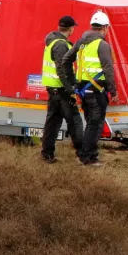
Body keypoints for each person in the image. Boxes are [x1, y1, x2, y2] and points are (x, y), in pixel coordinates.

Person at [60, 10, 115, 166]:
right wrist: (113, 90)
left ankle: (87, 155)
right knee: (95, 124)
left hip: (84, 90)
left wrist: (73, 82)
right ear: (105, 27)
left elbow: (65, 60)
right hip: (97, 91)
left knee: (91, 122)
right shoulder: (102, 45)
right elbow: (108, 69)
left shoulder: (81, 42)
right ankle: (88, 157)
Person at [41, 15, 84, 163]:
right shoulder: (60, 45)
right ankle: (83, 154)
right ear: (71, 28)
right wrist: (70, 90)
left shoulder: (52, 40)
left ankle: (47, 154)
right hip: (61, 90)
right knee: (75, 121)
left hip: (53, 89)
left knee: (52, 122)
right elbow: (62, 70)